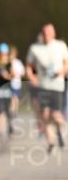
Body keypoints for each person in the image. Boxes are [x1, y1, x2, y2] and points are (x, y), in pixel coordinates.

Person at [26, 23, 68, 152]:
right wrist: (31, 77)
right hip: (42, 85)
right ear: (42, 34)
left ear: (54, 33)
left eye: (50, 33)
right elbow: (29, 65)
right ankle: (51, 142)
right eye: (45, 33)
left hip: (57, 85)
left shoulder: (60, 46)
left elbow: (66, 64)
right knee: (44, 114)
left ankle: (61, 130)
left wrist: (61, 71)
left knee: (55, 114)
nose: (47, 35)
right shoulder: (35, 48)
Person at [0, 43, 15, 140]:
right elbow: (2, 75)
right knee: (0, 111)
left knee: (9, 110)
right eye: (1, 53)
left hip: (9, 89)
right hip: (0, 90)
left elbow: (13, 74)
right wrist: (7, 75)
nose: (3, 55)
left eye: (4, 53)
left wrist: (10, 75)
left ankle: (10, 125)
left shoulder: (10, 63)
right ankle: (1, 131)